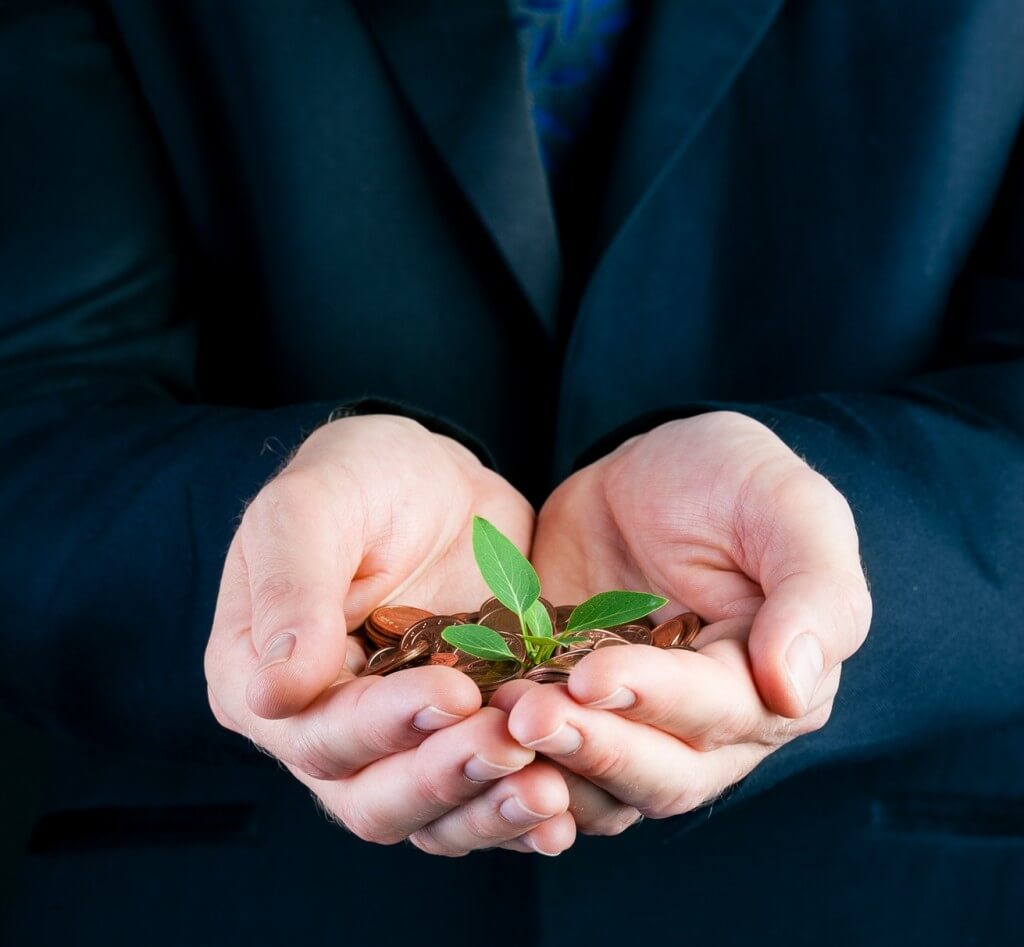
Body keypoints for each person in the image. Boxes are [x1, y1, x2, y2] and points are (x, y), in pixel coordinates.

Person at [2, 1, 1022, 944]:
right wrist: (264, 558)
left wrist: (827, 558)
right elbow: (31, 391)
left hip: (893, 884)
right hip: (217, 888)